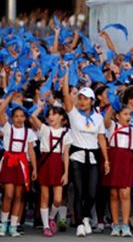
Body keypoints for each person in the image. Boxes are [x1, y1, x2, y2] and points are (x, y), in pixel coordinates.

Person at [62, 76, 109, 237]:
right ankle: (80, 223)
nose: (82, 101)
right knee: (79, 192)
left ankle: (86, 216)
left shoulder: (98, 118)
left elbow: (101, 138)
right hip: (77, 156)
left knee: (92, 193)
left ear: (92, 101)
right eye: (80, 98)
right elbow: (66, 97)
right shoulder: (74, 114)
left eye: (85, 99)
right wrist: (67, 75)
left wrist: (107, 159)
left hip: (93, 156)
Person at [30, 100, 71, 238]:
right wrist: (39, 108)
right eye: (49, 114)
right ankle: (46, 226)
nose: (51, 117)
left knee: (58, 199)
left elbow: (65, 154)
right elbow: (32, 118)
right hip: (45, 163)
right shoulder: (45, 129)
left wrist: (66, 172)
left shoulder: (66, 133)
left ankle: (51, 217)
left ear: (62, 117)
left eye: (55, 114)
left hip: (58, 165)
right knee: (45, 196)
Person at [0, 96, 37, 237]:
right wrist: (9, 95)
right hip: (9, 161)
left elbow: (31, 151)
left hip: (21, 164)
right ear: (11, 118)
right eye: (16, 116)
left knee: (18, 195)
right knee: (8, 194)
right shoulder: (8, 128)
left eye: (22, 116)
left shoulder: (29, 132)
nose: (19, 119)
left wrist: (34, 168)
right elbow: (1, 111)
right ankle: (3, 223)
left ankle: (14, 225)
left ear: (25, 118)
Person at [103, 105, 133, 237]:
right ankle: (115, 224)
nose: (128, 117)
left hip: (127, 163)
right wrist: (113, 106)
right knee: (113, 193)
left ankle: (125, 225)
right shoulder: (112, 126)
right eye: (125, 114)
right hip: (114, 162)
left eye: (129, 114)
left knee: (125, 193)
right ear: (117, 116)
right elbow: (106, 120)